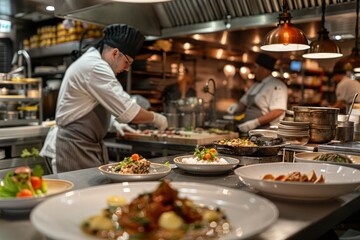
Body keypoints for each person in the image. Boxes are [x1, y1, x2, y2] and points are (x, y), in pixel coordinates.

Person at [51, 24, 167, 173]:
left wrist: (112, 123)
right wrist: (157, 118)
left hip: (85, 144)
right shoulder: (95, 67)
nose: (126, 69)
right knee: (84, 193)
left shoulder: (93, 62)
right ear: (115, 53)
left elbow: (89, 105)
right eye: (127, 63)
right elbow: (128, 112)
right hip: (76, 146)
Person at [227, 52, 288, 133]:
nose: (253, 71)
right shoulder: (255, 85)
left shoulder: (277, 85)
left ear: (263, 69)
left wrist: (255, 123)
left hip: (266, 133)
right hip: (250, 131)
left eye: (255, 67)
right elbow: (243, 102)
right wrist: (236, 107)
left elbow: (278, 111)